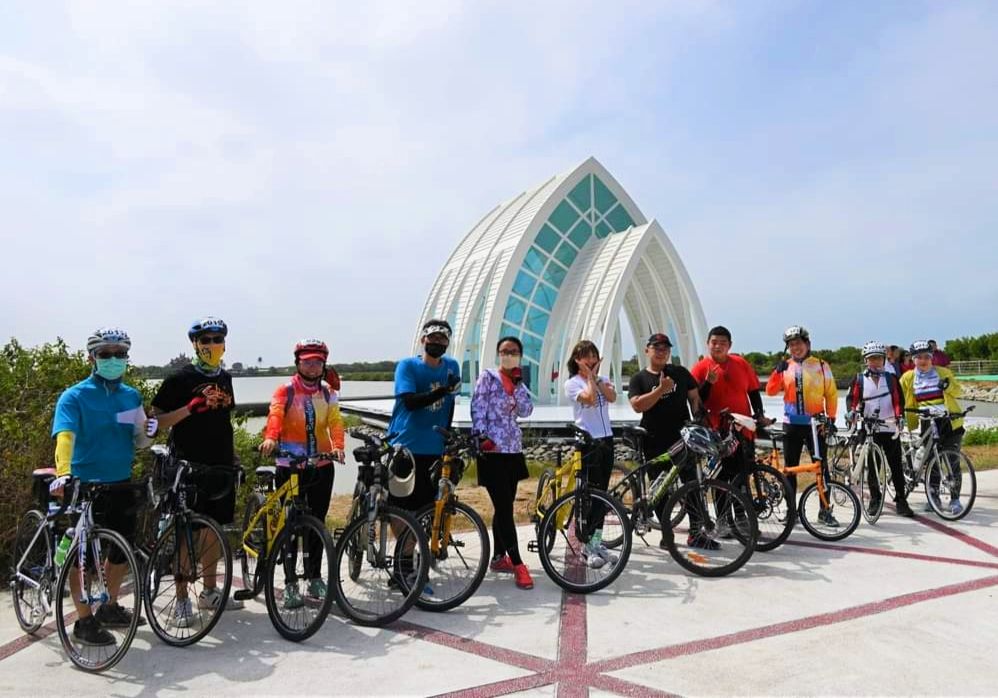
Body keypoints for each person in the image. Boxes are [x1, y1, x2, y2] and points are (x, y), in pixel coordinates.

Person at [50, 328, 154, 646]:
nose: (113, 359)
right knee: (80, 556)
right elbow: (65, 436)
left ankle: (107, 606)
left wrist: (149, 431)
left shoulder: (131, 396)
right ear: (91, 358)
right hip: (83, 484)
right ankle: (83, 621)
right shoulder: (75, 396)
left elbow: (139, 441)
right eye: (106, 354)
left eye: (119, 354)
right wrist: (64, 472)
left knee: (120, 548)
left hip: (120, 483)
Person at [151, 316, 243, 622]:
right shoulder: (178, 379)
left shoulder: (226, 379)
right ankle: (180, 601)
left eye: (218, 340)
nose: (212, 346)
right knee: (186, 534)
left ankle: (209, 591)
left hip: (220, 466)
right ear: (195, 344)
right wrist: (188, 408)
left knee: (214, 532)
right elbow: (155, 424)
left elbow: (223, 420)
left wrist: (234, 455)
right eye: (206, 341)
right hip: (187, 467)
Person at [259, 339, 345, 607]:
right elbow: (275, 415)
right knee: (290, 527)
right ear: (298, 362)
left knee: (317, 524)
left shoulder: (329, 392)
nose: (312, 366)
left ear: (324, 364)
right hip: (290, 466)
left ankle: (314, 576)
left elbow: (335, 421)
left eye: (317, 361)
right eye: (307, 361)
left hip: (320, 465)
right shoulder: (285, 390)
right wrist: (271, 438)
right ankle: (289, 583)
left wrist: (339, 447)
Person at [628, 333, 704, 548]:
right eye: (656, 347)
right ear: (647, 350)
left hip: (682, 438)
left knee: (692, 485)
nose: (661, 352)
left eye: (665, 348)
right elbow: (637, 405)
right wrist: (661, 389)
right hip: (654, 439)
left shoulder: (680, 372)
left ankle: (697, 532)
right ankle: (667, 535)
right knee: (660, 488)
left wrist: (698, 419)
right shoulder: (639, 379)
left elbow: (694, 397)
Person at [471, 336, 534, 590]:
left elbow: (527, 410)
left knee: (504, 504)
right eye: (505, 351)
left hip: (513, 450)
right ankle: (518, 563)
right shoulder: (487, 377)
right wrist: (481, 436)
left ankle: (499, 557)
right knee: (505, 508)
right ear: (498, 354)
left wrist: (518, 385)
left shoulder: (518, 382)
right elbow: (477, 408)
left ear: (520, 355)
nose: (509, 354)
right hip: (492, 451)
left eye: (514, 351)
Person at [765, 325, 840, 526]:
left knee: (821, 468)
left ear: (807, 344)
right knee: (789, 468)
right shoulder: (786, 366)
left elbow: (831, 394)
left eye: (798, 343)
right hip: (791, 425)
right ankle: (791, 511)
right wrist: (775, 371)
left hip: (816, 425)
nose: (795, 347)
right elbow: (770, 391)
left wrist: (831, 419)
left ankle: (825, 510)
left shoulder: (821, 365)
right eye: (791, 345)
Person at [387, 319, 461, 514]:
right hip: (405, 445)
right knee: (400, 506)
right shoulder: (407, 365)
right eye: (433, 338)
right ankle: (405, 545)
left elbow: (450, 403)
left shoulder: (452, 366)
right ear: (423, 339)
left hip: (434, 448)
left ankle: (417, 543)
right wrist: (443, 390)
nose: (437, 342)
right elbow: (410, 402)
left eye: (442, 339)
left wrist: (448, 435)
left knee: (427, 508)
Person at [564, 339, 619, 568]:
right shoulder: (572, 383)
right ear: (577, 360)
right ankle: (585, 545)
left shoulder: (602, 379)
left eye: (594, 355)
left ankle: (596, 541)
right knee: (587, 496)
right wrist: (588, 379)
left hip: (606, 440)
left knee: (602, 495)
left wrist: (595, 377)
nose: (591, 360)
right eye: (586, 356)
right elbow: (589, 400)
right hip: (587, 442)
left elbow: (612, 398)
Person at [845, 342, 914, 517]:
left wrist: (899, 417)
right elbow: (852, 401)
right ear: (866, 361)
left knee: (896, 465)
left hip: (889, 427)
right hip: (869, 428)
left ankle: (901, 500)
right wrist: (852, 413)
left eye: (878, 358)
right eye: (872, 359)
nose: (875, 362)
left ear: (884, 360)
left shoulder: (891, 379)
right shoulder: (860, 379)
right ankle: (875, 500)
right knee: (872, 467)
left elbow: (898, 401)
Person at [900, 340, 966, 514]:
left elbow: (959, 392)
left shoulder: (943, 372)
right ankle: (933, 496)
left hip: (949, 420)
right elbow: (898, 397)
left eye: (927, 357)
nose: (923, 360)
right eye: (919, 357)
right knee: (931, 461)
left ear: (932, 358)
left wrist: (948, 386)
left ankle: (955, 499)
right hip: (927, 421)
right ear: (913, 359)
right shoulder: (908, 378)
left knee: (952, 461)